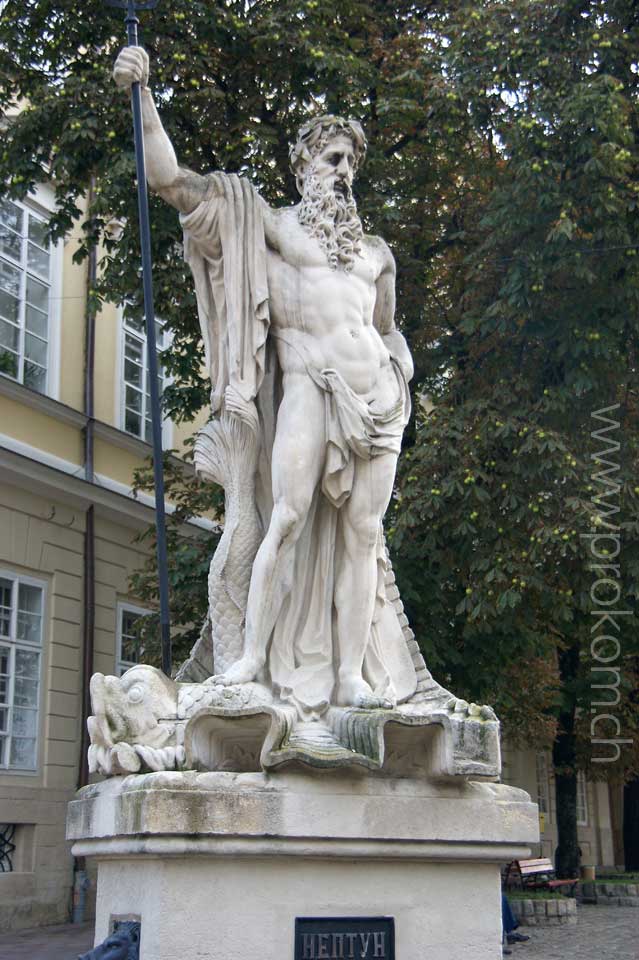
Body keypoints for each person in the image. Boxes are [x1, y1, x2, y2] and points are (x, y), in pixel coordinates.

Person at [113, 47, 418, 716]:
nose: (342, 173)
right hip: (311, 388)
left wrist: (401, 373)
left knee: (362, 536)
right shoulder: (267, 227)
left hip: (379, 406)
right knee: (285, 516)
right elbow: (169, 180)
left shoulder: (375, 254)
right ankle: (250, 660)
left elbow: (387, 329)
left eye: (350, 163)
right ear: (302, 163)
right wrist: (142, 94)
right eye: (330, 158)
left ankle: (349, 680)